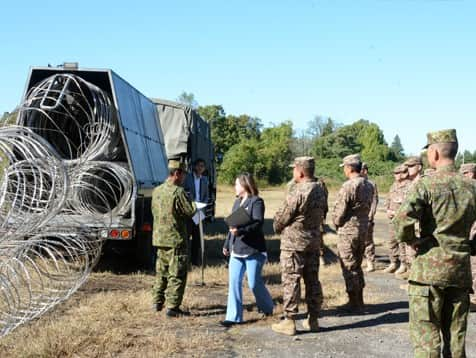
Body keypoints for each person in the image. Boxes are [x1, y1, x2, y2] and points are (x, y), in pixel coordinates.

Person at [394, 129, 476, 357]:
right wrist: (471, 246)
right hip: (459, 272)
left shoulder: (426, 185)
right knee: (456, 341)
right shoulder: (472, 187)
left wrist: (412, 240)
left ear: (435, 153)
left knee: (427, 342)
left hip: (428, 272)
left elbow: (401, 221)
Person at [271, 157, 327, 335]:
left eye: (294, 169)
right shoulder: (321, 188)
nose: (292, 172)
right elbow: (324, 212)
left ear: (300, 171)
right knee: (312, 279)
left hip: (294, 243)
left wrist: (276, 226)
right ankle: (314, 319)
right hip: (313, 240)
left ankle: (289, 321)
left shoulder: (299, 191)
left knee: (291, 279)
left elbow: (283, 217)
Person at [221, 173, 274, 326]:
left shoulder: (257, 202)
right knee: (234, 282)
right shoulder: (236, 203)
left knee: (253, 283)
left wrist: (241, 231)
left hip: (254, 251)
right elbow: (232, 226)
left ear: (244, 185)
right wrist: (227, 243)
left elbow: (258, 223)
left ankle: (268, 307)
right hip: (237, 250)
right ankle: (233, 317)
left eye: (236, 184)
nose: (234, 187)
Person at [151, 159, 197, 317]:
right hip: (175, 240)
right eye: (183, 174)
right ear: (177, 173)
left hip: (159, 238)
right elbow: (190, 211)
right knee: (177, 274)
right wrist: (195, 203)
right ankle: (173, 307)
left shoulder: (156, 191)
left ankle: (157, 302)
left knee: (161, 272)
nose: (184, 177)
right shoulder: (178, 192)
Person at [332, 154, 374, 312]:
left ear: (349, 168)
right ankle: (360, 300)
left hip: (348, 230)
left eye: (344, 167)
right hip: (363, 228)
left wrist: (336, 222)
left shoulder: (348, 186)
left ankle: (354, 302)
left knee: (348, 265)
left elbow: (341, 211)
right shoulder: (368, 185)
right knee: (357, 264)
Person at [383, 164, 411, 274]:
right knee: (392, 241)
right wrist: (387, 210)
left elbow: (409, 203)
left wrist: (397, 212)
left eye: (400, 173)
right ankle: (393, 262)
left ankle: (404, 264)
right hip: (392, 219)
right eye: (395, 173)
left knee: (402, 242)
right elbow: (388, 199)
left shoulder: (409, 185)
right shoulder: (394, 185)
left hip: (403, 219)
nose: (397, 175)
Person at [183, 158, 209, 266]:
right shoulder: (187, 178)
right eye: (199, 165)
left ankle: (195, 261)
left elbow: (206, 196)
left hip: (199, 211)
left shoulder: (205, 180)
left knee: (197, 236)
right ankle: (185, 260)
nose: (200, 168)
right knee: (186, 235)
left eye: (202, 166)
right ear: (194, 167)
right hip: (189, 211)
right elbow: (184, 192)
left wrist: (203, 206)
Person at [459, 163, 476, 307]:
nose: (462, 176)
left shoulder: (473, 188)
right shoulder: (467, 189)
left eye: (464, 173)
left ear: (471, 174)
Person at [361, 162, 379, 273]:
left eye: (361, 169)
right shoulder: (354, 183)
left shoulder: (371, 184)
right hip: (356, 218)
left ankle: (370, 262)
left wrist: (371, 214)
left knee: (368, 241)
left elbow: (374, 200)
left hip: (367, 217)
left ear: (365, 171)